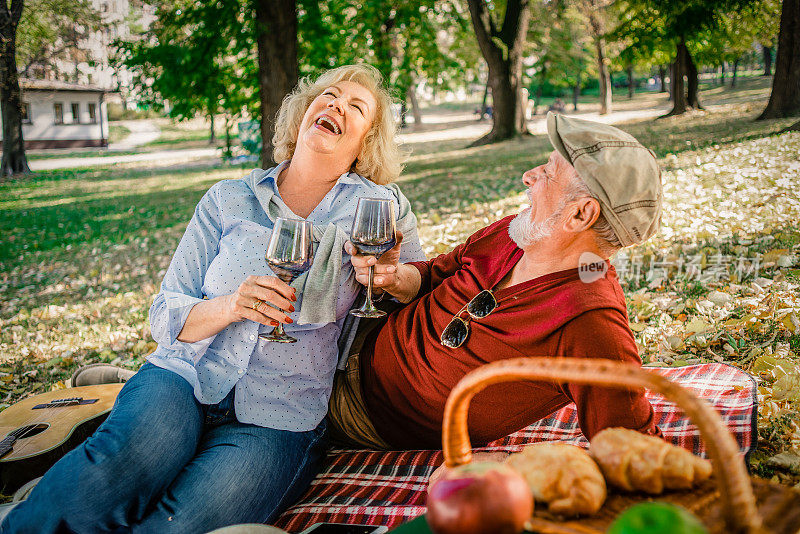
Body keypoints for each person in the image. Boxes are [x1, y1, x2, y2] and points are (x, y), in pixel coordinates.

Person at [1, 64, 425, 534]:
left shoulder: (379, 206)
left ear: (366, 141)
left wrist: (390, 277)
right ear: (305, 114)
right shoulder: (228, 198)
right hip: (184, 378)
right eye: (328, 95)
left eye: (355, 106)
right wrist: (230, 306)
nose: (335, 105)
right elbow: (164, 315)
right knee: (107, 476)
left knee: (178, 526)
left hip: (281, 413)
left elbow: (416, 282)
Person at [330, 112, 664, 454]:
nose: (528, 176)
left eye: (548, 173)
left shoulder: (590, 324)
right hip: (356, 334)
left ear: (581, 214)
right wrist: (397, 277)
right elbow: (440, 272)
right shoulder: (519, 231)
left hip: (358, 408)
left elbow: (635, 451)